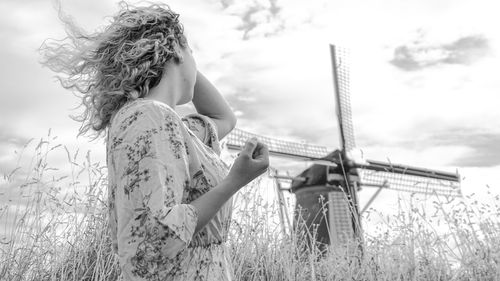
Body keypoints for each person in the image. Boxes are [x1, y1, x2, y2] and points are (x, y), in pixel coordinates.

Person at [39, 1, 269, 280]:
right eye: (192, 52)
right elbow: (151, 241)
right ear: (177, 51)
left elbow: (224, 118)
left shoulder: (169, 126)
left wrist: (177, 52)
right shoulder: (148, 118)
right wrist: (234, 181)